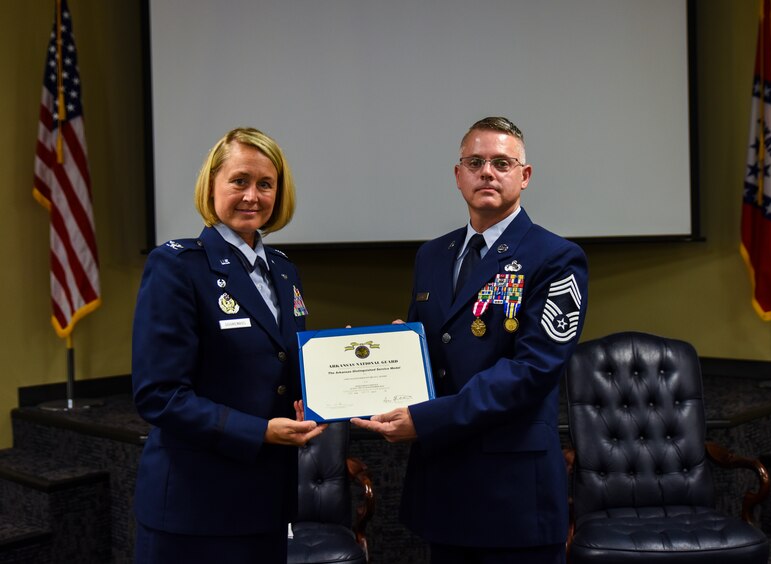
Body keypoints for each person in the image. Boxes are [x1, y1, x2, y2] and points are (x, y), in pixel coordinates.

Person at [352, 116, 588, 563]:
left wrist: (426, 419)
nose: (487, 171)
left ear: (525, 175)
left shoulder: (555, 257)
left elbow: (531, 372)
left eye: (502, 162)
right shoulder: (432, 255)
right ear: (457, 175)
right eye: (475, 161)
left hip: (513, 490)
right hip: (443, 482)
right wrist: (387, 353)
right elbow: (433, 350)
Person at [131, 127, 326, 563]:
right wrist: (259, 431)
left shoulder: (282, 270)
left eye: (265, 184)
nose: (252, 196)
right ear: (213, 185)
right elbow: (158, 395)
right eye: (239, 180)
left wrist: (330, 379)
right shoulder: (177, 266)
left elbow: (280, 367)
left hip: (265, 505)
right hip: (195, 509)